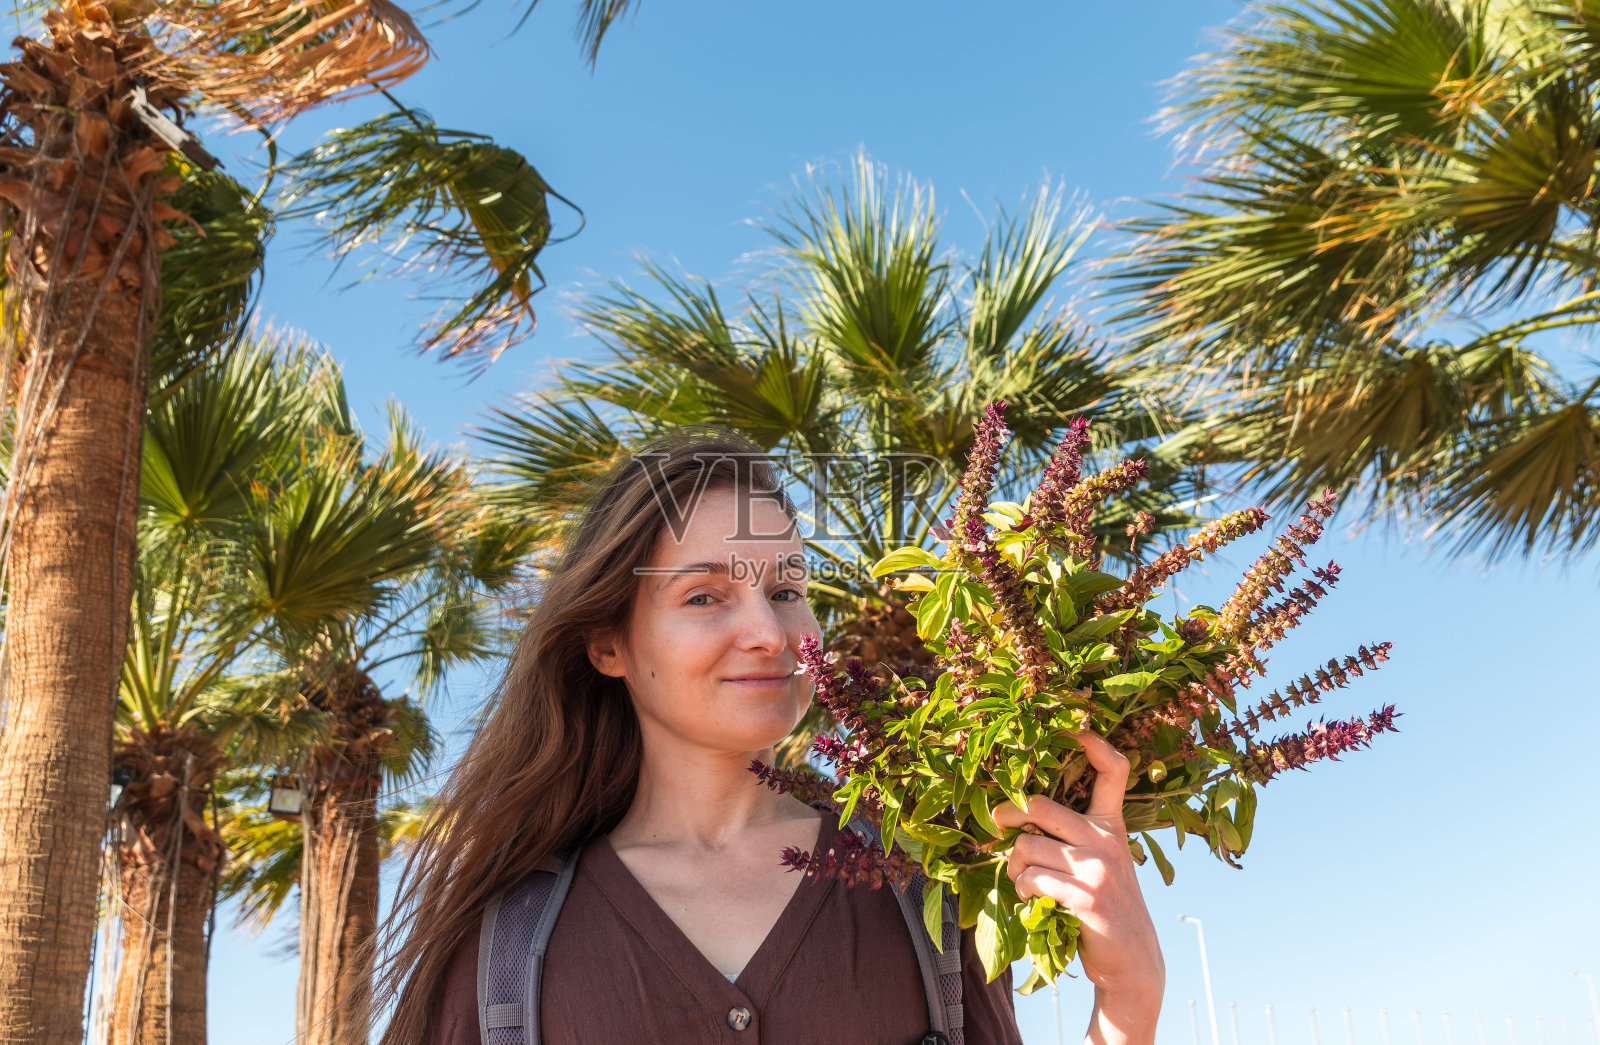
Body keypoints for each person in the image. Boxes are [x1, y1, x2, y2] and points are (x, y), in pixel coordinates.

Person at [374, 429, 1165, 1045]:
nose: (769, 632)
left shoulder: (924, 887)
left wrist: (1128, 998)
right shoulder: (504, 949)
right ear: (608, 643)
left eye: (787, 589)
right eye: (705, 595)